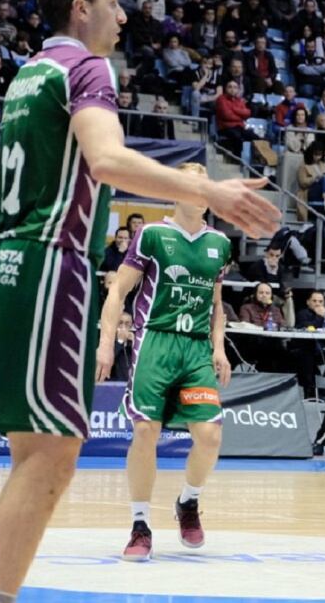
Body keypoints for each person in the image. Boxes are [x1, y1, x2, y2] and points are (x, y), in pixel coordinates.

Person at [0, 0, 280, 603]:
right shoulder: (85, 67)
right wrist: (206, 190)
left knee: (34, 457)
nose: (124, 15)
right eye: (113, 3)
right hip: (49, 266)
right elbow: (107, 159)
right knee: (51, 460)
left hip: (9, 266)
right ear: (81, 8)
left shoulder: (28, 75)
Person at [96, 163, 234, 561]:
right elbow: (118, 290)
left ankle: (188, 502)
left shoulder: (219, 244)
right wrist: (106, 343)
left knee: (209, 436)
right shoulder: (153, 234)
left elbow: (217, 304)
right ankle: (140, 524)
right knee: (145, 431)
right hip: (154, 341)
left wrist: (219, 346)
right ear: (176, 189)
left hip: (195, 348)